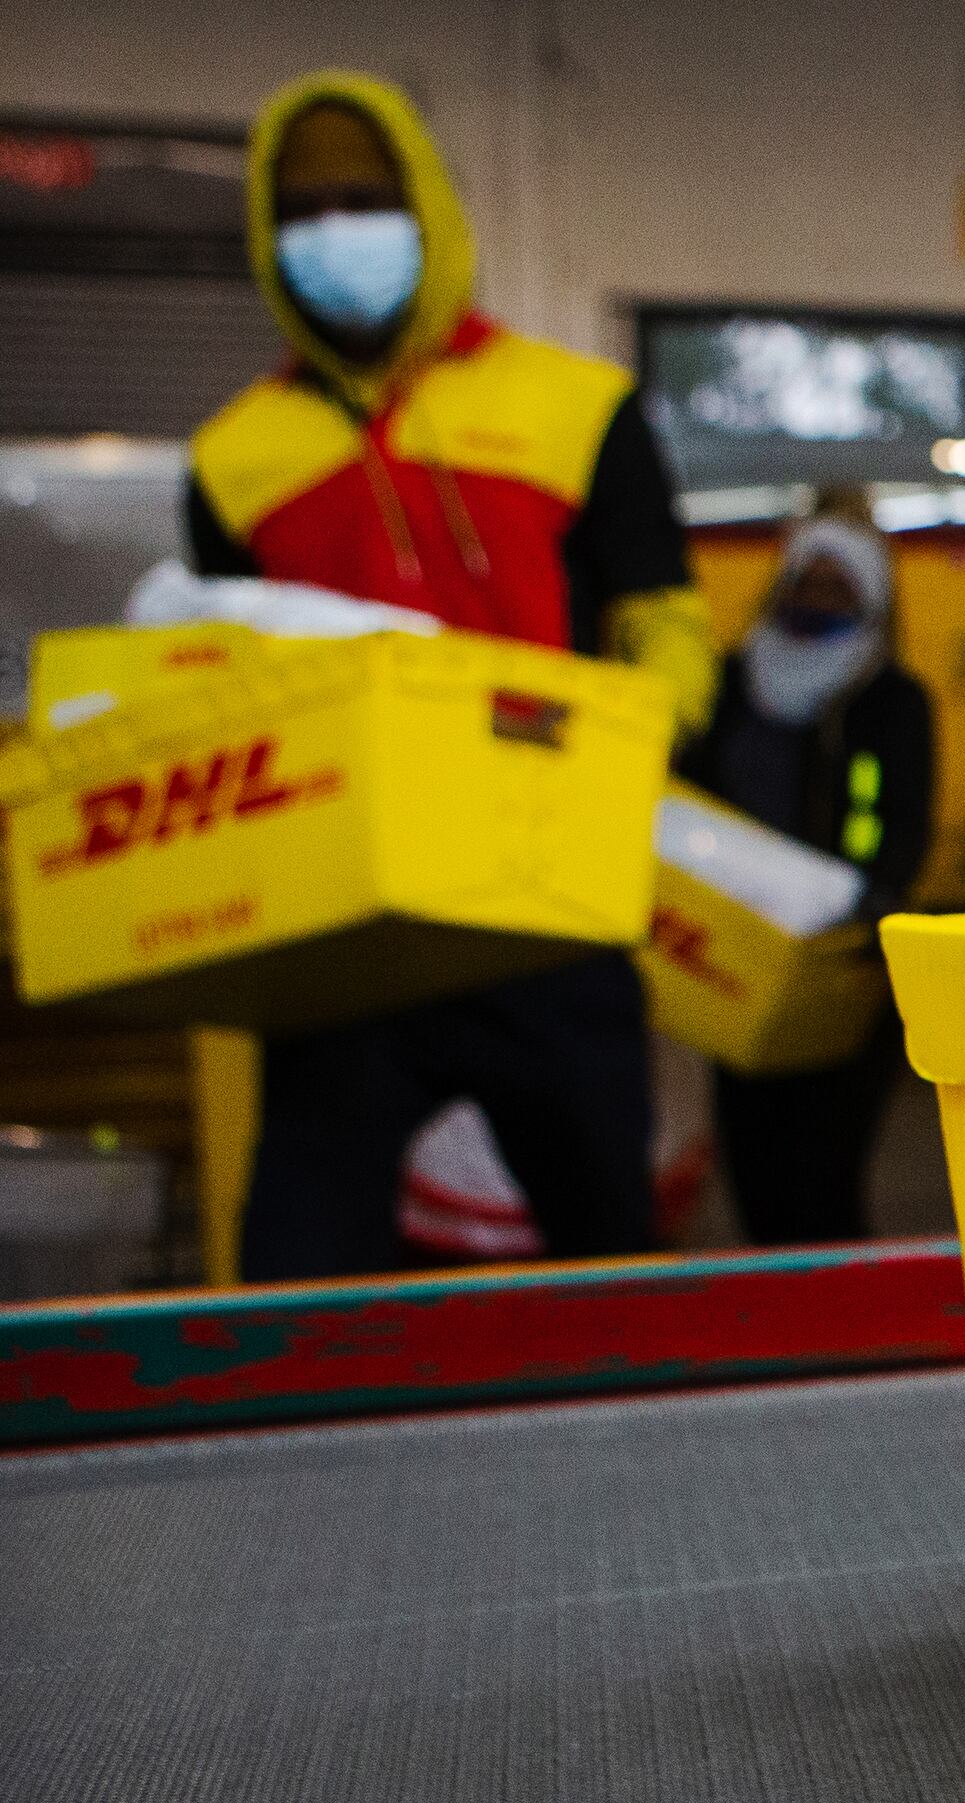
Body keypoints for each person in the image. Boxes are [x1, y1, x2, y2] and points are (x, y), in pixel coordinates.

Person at [186, 71, 716, 1279]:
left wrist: (649, 727)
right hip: (342, 941)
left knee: (602, 1259)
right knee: (300, 1274)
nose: (336, 228)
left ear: (426, 207)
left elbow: (663, 619)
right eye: (305, 206)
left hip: (543, 899)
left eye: (364, 198)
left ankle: (625, 1456)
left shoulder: (576, 408)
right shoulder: (232, 460)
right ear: (270, 235)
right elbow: (215, 681)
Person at [680, 518, 937, 1243]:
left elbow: (904, 822)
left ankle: (842, 1325)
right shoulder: (732, 681)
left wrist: (867, 911)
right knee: (753, 1159)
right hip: (739, 951)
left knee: (825, 1163)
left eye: (839, 583)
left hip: (837, 958)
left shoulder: (888, 698)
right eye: (808, 578)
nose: (819, 594)